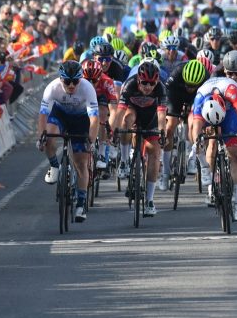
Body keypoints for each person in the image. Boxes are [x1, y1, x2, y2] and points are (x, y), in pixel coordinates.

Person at [37, 60, 99, 223]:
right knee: (50, 136)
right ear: (60, 79)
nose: (71, 85)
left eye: (75, 81)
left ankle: (80, 203)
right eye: (67, 81)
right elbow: (43, 115)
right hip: (60, 115)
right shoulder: (52, 88)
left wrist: (91, 141)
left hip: (81, 119)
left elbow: (94, 119)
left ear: (81, 79)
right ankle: (54, 166)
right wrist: (41, 137)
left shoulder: (87, 88)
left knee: (81, 162)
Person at [190, 76, 237, 221]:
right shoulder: (200, 98)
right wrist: (196, 146)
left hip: (229, 112)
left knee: (235, 154)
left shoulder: (230, 90)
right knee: (206, 142)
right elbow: (196, 126)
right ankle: (209, 179)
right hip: (208, 112)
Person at [112, 61, 167, 216]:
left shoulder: (161, 88)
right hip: (133, 110)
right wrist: (116, 129)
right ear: (138, 80)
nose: (148, 87)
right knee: (126, 120)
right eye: (144, 83)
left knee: (154, 153)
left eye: (151, 83)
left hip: (151, 116)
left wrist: (162, 131)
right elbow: (120, 110)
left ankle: (149, 200)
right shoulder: (129, 85)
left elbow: (162, 115)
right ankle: (124, 161)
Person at [160, 59, 210, 190]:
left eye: (193, 86)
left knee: (194, 122)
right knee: (170, 127)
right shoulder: (176, 73)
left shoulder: (206, 78)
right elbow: (165, 93)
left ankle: (193, 158)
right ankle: (165, 173)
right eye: (188, 85)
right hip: (175, 95)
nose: (190, 88)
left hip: (197, 98)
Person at [82, 60, 117, 172]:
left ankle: (102, 153)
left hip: (101, 98)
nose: (91, 84)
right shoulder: (78, 82)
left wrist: (110, 128)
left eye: (94, 80)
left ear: (100, 77)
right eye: (88, 80)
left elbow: (113, 110)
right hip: (85, 99)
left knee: (102, 114)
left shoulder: (107, 82)